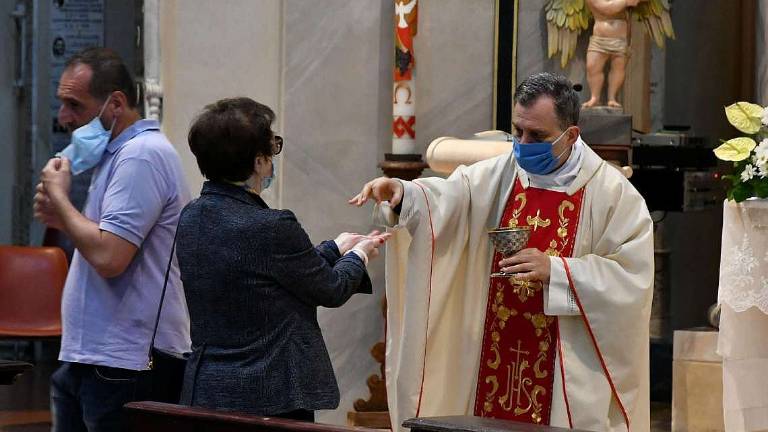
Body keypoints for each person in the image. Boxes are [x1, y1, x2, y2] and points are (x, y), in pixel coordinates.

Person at [350, 72, 654, 431]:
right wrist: (402, 194)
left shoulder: (612, 195)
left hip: (564, 374)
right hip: (494, 356)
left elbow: (632, 281)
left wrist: (558, 271)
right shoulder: (503, 173)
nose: (523, 144)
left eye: (537, 136)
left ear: (571, 135)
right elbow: (448, 200)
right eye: (517, 131)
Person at [176, 97, 389, 421]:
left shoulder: (191, 216)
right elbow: (330, 289)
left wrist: (334, 248)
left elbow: (262, 276)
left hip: (208, 389)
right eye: (272, 147)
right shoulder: (272, 226)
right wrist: (359, 255)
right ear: (259, 161)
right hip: (272, 395)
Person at [33, 47, 191, 432]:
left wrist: (60, 200)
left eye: (75, 104)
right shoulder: (117, 154)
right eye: (62, 103)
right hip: (96, 356)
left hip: (127, 363)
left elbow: (109, 257)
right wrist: (63, 215)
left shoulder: (142, 155)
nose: (63, 117)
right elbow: (101, 242)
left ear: (115, 103)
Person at [582, 0, 642, 109]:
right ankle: (594, 97)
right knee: (592, 67)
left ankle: (612, 98)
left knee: (618, 68)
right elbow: (607, 9)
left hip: (620, 39)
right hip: (599, 40)